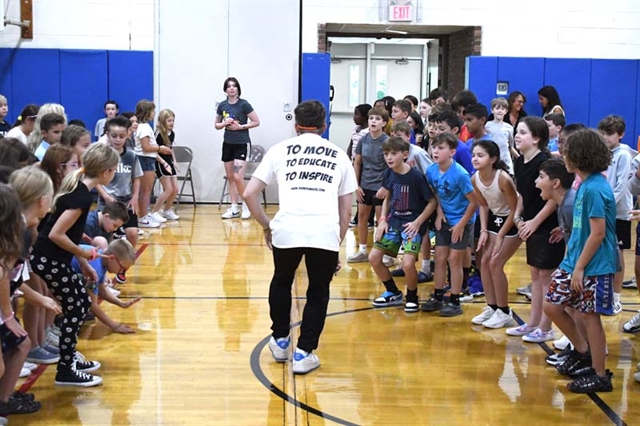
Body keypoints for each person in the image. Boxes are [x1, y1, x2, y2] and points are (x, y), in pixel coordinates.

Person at [242, 100, 356, 374]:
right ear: (324, 126)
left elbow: (248, 194)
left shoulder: (279, 150)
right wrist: (335, 244)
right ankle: (304, 353)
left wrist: (267, 226)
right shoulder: (339, 155)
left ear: (295, 126)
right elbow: (346, 211)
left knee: (282, 281)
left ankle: (280, 340)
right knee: (318, 291)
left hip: (287, 229)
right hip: (323, 232)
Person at [30, 142, 119, 387]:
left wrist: (82, 261)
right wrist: (84, 253)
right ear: (105, 172)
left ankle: (68, 360)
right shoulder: (80, 196)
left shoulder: (79, 189)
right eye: (114, 169)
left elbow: (66, 231)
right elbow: (56, 234)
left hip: (54, 259)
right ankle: (66, 369)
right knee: (78, 306)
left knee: (79, 302)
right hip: (48, 260)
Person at [543, 129, 617, 393]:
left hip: (593, 265)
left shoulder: (595, 188)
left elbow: (597, 233)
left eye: (567, 150)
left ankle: (600, 374)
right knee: (552, 304)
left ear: (579, 156)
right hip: (576, 260)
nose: (563, 154)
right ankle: (582, 351)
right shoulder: (584, 185)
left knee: (589, 316)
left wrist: (580, 268)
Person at [508, 117, 565, 342]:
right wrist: (518, 216)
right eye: (517, 132)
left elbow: (553, 199)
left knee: (545, 276)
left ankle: (546, 326)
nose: (517, 136)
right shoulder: (519, 161)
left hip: (547, 225)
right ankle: (532, 322)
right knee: (535, 274)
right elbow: (522, 193)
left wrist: (535, 222)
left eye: (523, 132)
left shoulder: (545, 162)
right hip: (530, 223)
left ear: (537, 138)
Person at [370, 136, 437, 312]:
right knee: (374, 257)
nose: (389, 157)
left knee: (408, 264)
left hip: (412, 225)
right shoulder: (388, 174)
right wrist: (383, 220)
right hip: (394, 222)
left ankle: (412, 296)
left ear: (405, 154)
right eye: (386, 154)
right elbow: (388, 197)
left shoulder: (416, 177)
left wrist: (418, 222)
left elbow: (432, 202)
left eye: (393, 153)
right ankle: (393, 292)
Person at [423, 133, 477, 316]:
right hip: (445, 219)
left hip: (462, 221)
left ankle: (455, 299)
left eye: (441, 148)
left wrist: (462, 224)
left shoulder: (460, 174)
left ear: (452, 152)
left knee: (454, 260)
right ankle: (438, 296)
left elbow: (474, 202)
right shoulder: (431, 170)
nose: (435, 151)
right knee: (439, 258)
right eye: (434, 147)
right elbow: (436, 193)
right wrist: (439, 212)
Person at [470, 141, 521, 328]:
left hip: (512, 220)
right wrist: (484, 230)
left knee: (495, 262)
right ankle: (492, 307)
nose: (475, 158)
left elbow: (516, 209)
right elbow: (483, 205)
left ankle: (504, 311)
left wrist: (500, 235)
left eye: (480, 155)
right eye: (474, 155)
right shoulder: (475, 178)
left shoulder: (503, 179)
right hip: (494, 218)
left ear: (493, 159)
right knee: (483, 262)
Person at [534, 157, 578, 360]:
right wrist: (563, 229)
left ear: (556, 183)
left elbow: (585, 237)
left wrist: (573, 268)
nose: (536, 181)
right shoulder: (564, 203)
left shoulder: (569, 205)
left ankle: (584, 350)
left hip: (582, 265)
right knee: (564, 306)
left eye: (541, 177)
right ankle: (579, 348)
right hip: (574, 263)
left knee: (564, 306)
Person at [97, 115, 144, 282]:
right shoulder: (102, 155)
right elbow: (93, 178)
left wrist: (135, 197)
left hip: (126, 200)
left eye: (122, 136)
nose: (118, 140)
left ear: (128, 135)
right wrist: (105, 196)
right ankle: (103, 274)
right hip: (108, 202)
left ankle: (123, 267)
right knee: (106, 239)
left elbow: (136, 178)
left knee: (132, 233)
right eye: (114, 136)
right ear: (107, 135)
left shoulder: (131, 156)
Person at [388, 121, 434, 282]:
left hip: (421, 195)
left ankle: (426, 267)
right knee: (404, 230)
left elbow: (431, 172)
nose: (396, 139)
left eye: (399, 136)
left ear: (409, 137)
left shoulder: (418, 153)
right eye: (393, 136)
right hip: (404, 196)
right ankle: (406, 264)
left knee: (424, 231)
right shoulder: (393, 155)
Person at [71, 239, 141, 334]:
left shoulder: (100, 258)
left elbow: (101, 289)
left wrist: (121, 303)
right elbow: (92, 304)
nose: (121, 272)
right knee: (83, 309)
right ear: (111, 258)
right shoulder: (95, 267)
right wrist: (115, 326)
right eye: (122, 268)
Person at [214, 77, 261, 220]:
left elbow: (256, 121)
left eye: (234, 86)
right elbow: (216, 125)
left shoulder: (244, 104)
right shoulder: (222, 105)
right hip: (228, 143)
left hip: (242, 143)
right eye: (229, 86)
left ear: (238, 89)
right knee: (230, 177)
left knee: (237, 176)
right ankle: (234, 208)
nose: (232, 88)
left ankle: (246, 205)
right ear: (225, 90)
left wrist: (241, 127)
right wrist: (224, 123)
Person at [598, 115, 631, 316]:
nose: (606, 138)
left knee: (617, 255)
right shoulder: (603, 154)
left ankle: (616, 297)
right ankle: (605, 295)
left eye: (610, 134)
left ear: (620, 135)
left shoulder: (624, 155)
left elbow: (621, 186)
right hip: (602, 211)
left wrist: (606, 205)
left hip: (618, 213)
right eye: (603, 134)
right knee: (604, 254)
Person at [348, 107, 389, 263]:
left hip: (380, 187)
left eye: (378, 119)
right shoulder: (363, 140)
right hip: (365, 185)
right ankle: (363, 250)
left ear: (384, 123)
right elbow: (357, 162)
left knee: (381, 220)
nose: (373, 121)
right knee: (362, 218)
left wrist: (385, 187)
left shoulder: (386, 141)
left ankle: (382, 252)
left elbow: (390, 167)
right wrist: (356, 185)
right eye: (371, 118)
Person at [134, 100, 170, 228]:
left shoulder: (142, 126)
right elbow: (145, 147)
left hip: (147, 159)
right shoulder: (144, 127)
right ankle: (142, 217)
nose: (154, 113)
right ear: (147, 112)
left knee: (146, 190)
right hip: (145, 159)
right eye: (153, 110)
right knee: (146, 190)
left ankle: (145, 214)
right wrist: (160, 148)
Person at [346, 104, 372, 228]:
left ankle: (363, 218)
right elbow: (351, 146)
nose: (353, 117)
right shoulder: (356, 129)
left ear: (364, 116)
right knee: (357, 189)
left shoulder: (368, 132)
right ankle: (360, 216)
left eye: (356, 114)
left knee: (363, 192)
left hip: (363, 165)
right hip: (354, 163)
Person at [152, 109, 180, 221]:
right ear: (163, 121)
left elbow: (170, 148)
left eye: (173, 120)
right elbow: (153, 151)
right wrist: (163, 163)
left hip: (169, 162)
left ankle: (167, 211)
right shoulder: (158, 133)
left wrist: (175, 162)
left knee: (175, 189)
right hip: (160, 162)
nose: (172, 123)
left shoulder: (172, 133)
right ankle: (154, 212)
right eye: (169, 120)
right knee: (168, 189)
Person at [432, 110, 474, 174]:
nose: (437, 132)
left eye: (441, 129)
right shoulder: (435, 146)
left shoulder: (462, 149)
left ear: (455, 130)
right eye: (436, 128)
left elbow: (471, 172)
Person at [485, 97, 516, 175]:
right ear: (492, 110)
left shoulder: (509, 128)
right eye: (497, 108)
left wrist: (520, 158)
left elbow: (510, 146)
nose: (500, 111)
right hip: (491, 161)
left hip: (505, 161)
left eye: (502, 109)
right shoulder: (487, 126)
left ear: (506, 111)